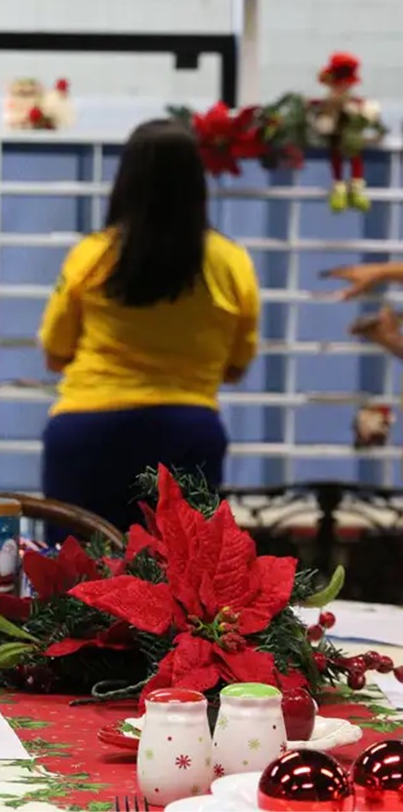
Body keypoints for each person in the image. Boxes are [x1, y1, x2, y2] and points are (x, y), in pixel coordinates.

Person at [37, 119, 260, 532]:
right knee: (178, 581)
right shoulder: (231, 262)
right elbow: (237, 365)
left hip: (88, 431)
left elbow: (54, 352)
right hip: (188, 434)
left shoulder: (91, 256)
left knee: (72, 581)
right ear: (197, 181)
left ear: (127, 178)